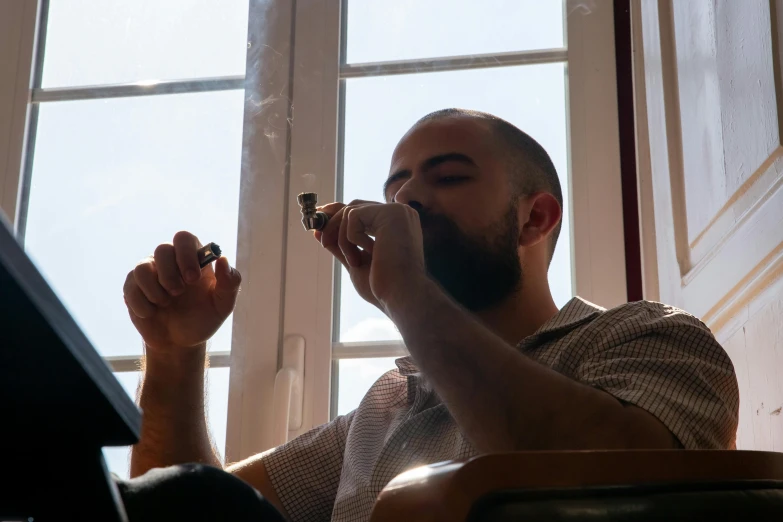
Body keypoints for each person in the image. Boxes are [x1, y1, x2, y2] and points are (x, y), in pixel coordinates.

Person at [118, 109, 740, 522]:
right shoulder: (384, 408)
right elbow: (180, 516)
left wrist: (409, 296)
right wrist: (175, 353)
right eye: (395, 189)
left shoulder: (648, 337)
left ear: (535, 217)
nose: (407, 199)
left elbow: (631, 490)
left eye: (447, 178)